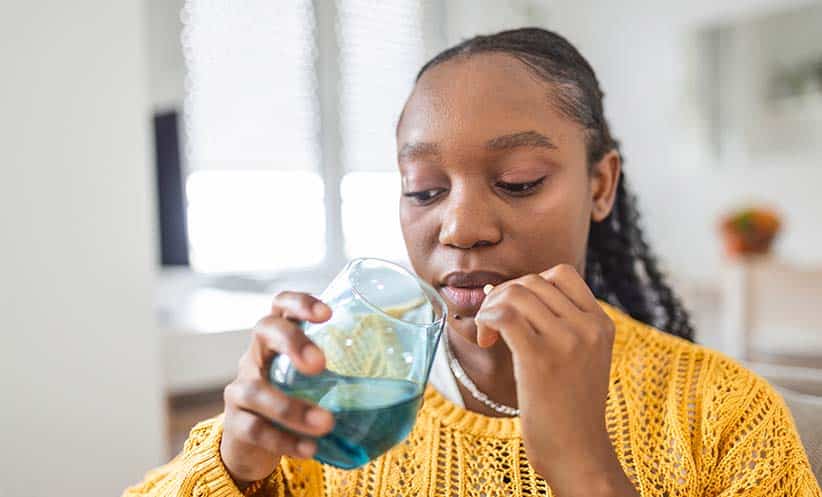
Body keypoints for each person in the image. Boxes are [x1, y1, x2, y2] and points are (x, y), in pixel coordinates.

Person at [124, 28, 821, 497]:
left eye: (518, 181)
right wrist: (233, 467)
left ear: (600, 185)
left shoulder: (725, 416)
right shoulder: (330, 409)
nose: (459, 227)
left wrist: (586, 469)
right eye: (424, 190)